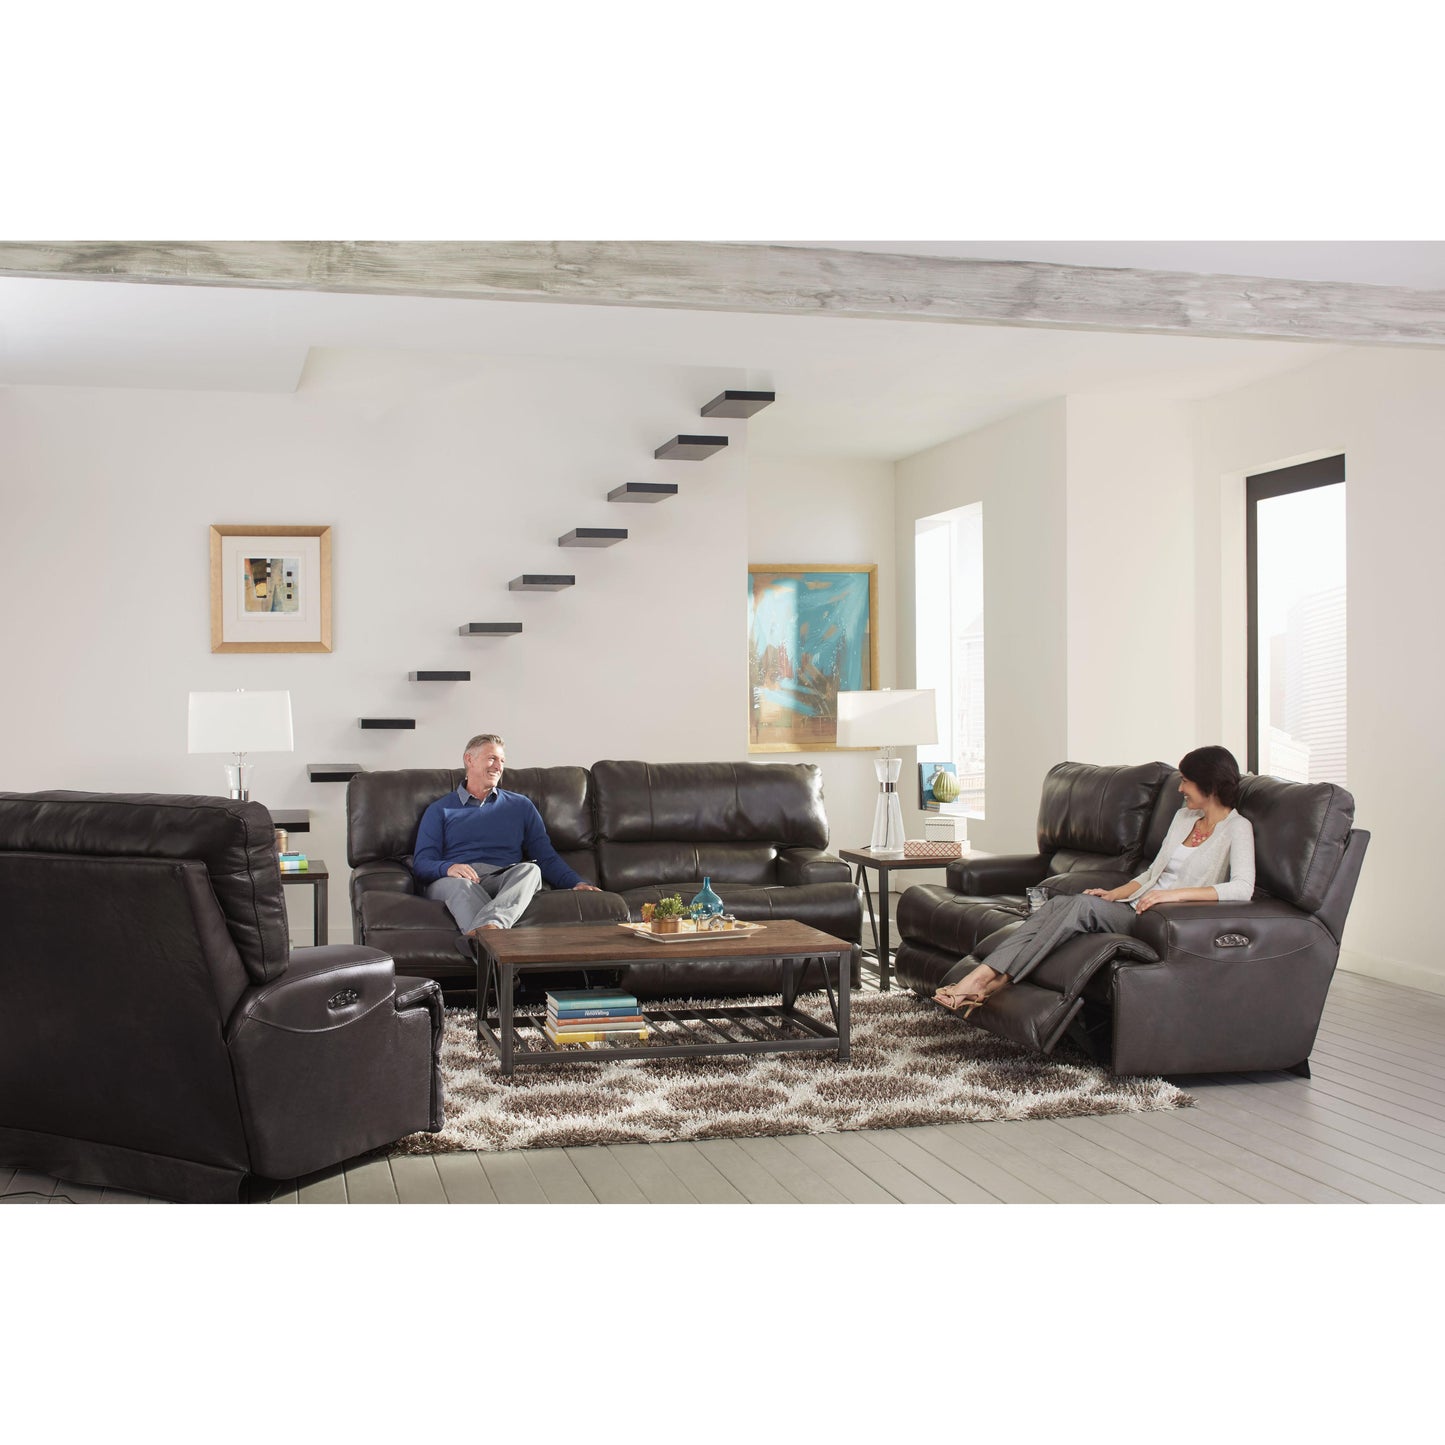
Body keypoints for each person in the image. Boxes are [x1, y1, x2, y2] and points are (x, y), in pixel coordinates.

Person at [934, 745, 1255, 1015]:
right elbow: (1150, 874)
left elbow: (1242, 888)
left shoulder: (1237, 828)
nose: (1180, 789)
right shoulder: (1184, 817)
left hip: (1163, 919)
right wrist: (1115, 894)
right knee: (1061, 904)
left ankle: (981, 980)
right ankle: (989, 979)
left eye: (1186, 782)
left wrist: (1173, 896)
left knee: (1078, 907)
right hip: (1136, 905)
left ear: (1210, 785)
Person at [412, 733, 600, 939]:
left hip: (501, 879)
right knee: (461, 886)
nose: (498, 766)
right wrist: (448, 868)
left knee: (531, 871)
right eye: (492, 758)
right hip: (455, 881)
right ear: (469, 759)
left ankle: (487, 932)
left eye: (502, 761)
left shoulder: (521, 806)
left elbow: (546, 857)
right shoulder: (439, 810)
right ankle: (494, 937)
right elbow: (422, 863)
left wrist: (576, 882)